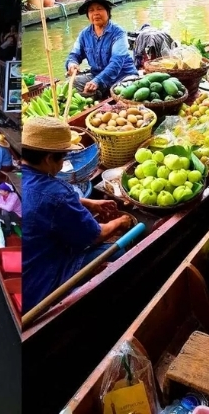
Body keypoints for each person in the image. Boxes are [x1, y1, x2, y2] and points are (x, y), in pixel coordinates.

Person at [21, 117, 133, 313]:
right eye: (62, 158)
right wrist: (121, 222)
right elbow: (94, 236)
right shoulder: (57, 193)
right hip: (41, 285)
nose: (62, 163)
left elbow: (41, 200)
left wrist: (87, 203)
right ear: (48, 159)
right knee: (118, 253)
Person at [65, 0, 139, 98]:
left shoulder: (118, 33)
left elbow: (116, 63)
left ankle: (100, 94)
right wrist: (72, 64)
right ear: (87, 14)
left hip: (122, 77)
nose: (95, 13)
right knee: (70, 85)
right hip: (96, 76)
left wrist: (97, 81)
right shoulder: (84, 35)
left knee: (123, 94)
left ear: (108, 11)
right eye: (91, 10)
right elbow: (74, 55)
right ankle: (98, 94)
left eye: (99, 9)